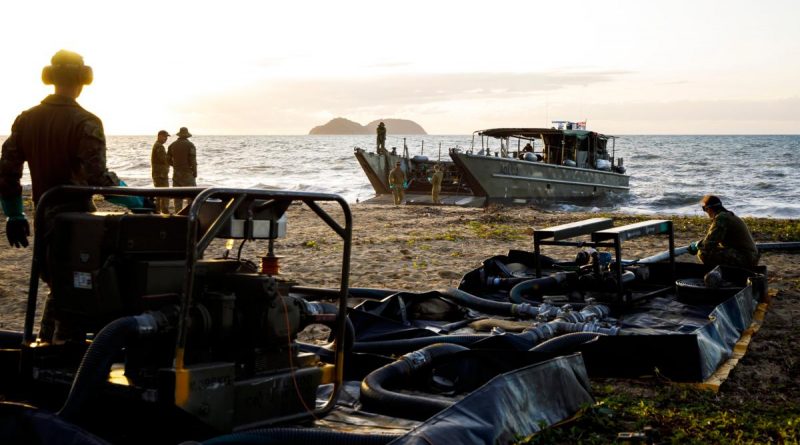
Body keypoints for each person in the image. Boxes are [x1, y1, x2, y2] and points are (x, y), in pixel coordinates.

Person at [0, 49, 145, 341]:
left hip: (44, 216)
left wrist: (15, 213)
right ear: (83, 80)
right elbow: (98, 179)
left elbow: (6, 172)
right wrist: (136, 199)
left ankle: (44, 349)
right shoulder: (86, 122)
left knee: (57, 286)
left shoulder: (26, 119)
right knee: (77, 291)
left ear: (50, 78)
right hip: (78, 222)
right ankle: (66, 355)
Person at [687, 195, 759, 268]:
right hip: (750, 256)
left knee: (703, 252)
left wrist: (697, 245)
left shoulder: (721, 218)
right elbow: (714, 239)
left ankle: (722, 273)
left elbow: (709, 243)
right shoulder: (728, 215)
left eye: (704, 209)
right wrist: (700, 243)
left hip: (746, 258)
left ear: (708, 208)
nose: (705, 212)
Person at [168, 126, 197, 211]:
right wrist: (195, 172)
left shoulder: (172, 145)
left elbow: (167, 159)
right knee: (191, 196)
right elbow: (193, 160)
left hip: (176, 173)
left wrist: (174, 165)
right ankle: (189, 214)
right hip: (187, 173)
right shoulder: (190, 145)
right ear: (187, 135)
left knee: (177, 197)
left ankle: (178, 214)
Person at [151, 130, 171, 214]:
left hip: (157, 174)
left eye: (166, 137)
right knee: (165, 193)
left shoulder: (157, 145)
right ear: (159, 136)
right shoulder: (159, 147)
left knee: (158, 193)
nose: (166, 138)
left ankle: (157, 211)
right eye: (164, 136)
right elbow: (164, 160)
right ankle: (164, 211)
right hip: (161, 175)